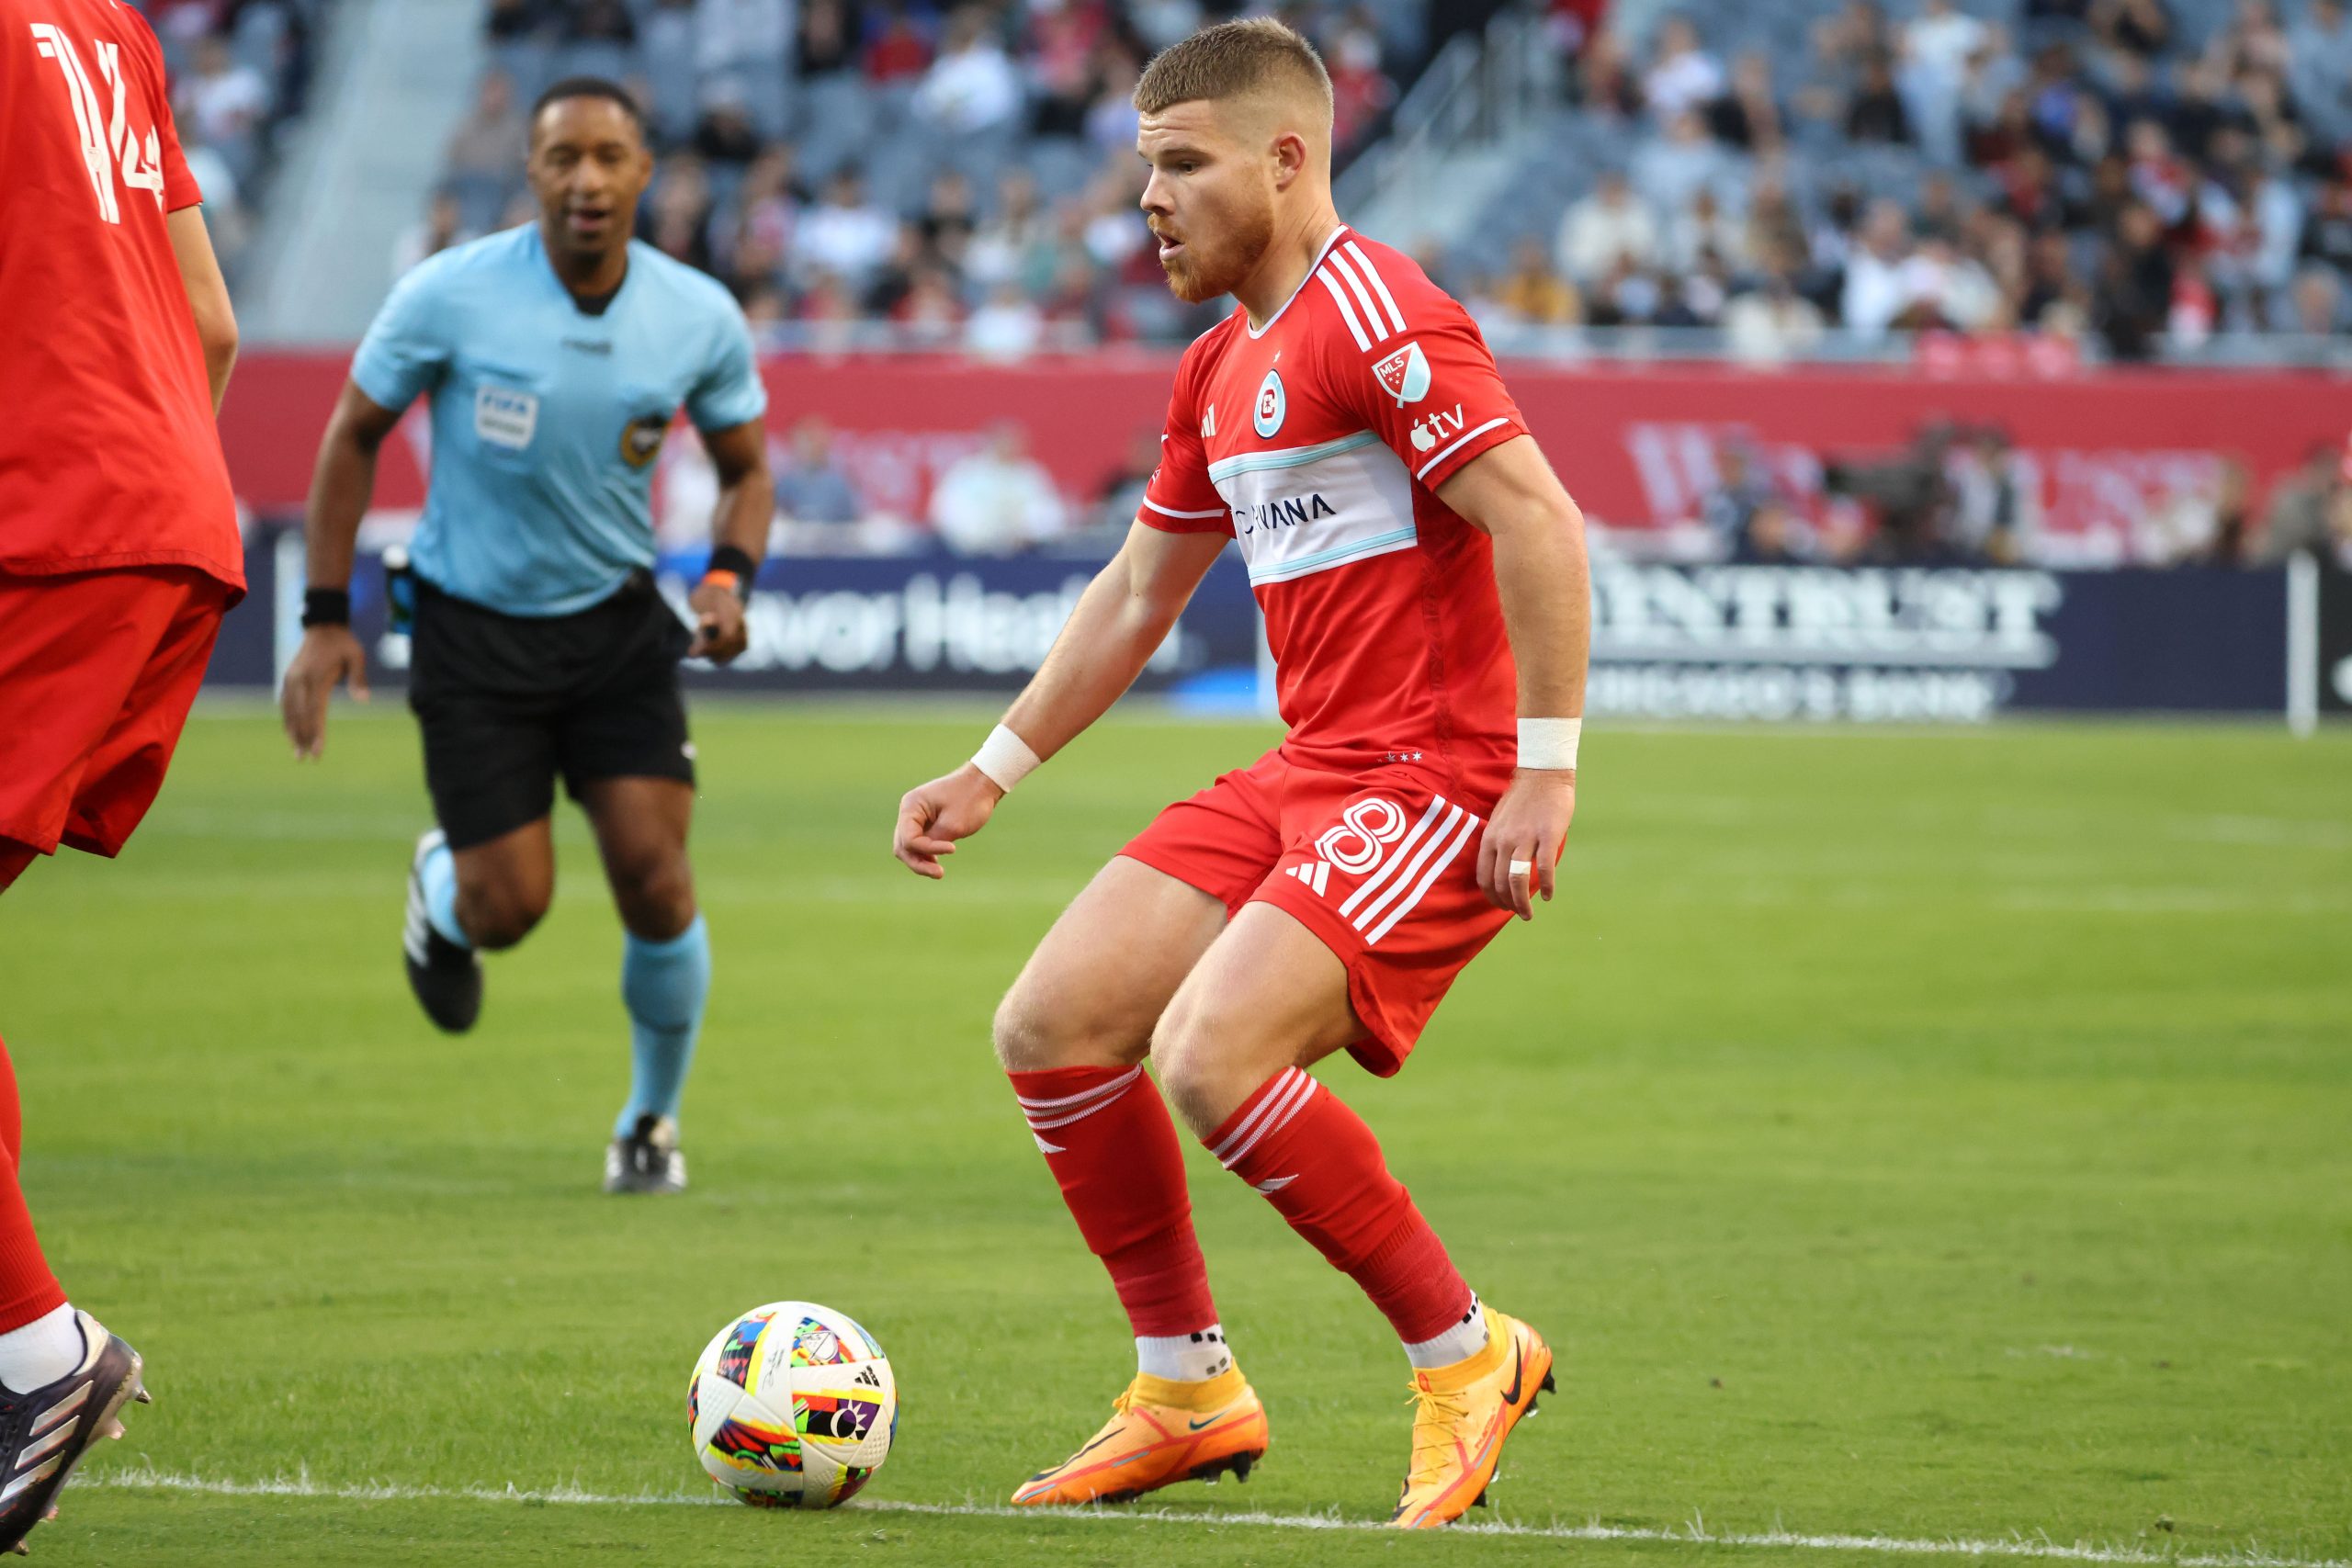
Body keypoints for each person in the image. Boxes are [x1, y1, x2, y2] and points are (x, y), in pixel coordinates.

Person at [889, 18, 1588, 1529]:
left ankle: (1468, 1353)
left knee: (1210, 1055)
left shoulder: (1378, 316)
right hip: (1314, 766)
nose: (1150, 199)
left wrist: (1545, 771)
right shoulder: (1218, 363)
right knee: (1053, 1025)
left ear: (1285, 160)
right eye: (1145, 167)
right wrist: (994, 767)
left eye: (1182, 165)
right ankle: (1186, 1386)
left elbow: (1539, 519)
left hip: (1436, 774)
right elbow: (1141, 592)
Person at [278, 78, 775, 1196]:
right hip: (471, 632)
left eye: (609, 157)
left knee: (657, 878)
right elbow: (352, 436)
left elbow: (746, 472)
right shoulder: (447, 294)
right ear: (531, 172)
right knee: (509, 909)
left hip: (614, 626)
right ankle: (442, 887)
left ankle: (648, 1125)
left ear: (644, 172)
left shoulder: (696, 315)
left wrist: (728, 578)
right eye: (563, 158)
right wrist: (323, 620)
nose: (586, 179)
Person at [0, 0, 243, 1547]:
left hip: (43, 518)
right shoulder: (105, 24)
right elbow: (210, 322)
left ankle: (38, 1348)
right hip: (166, 510)